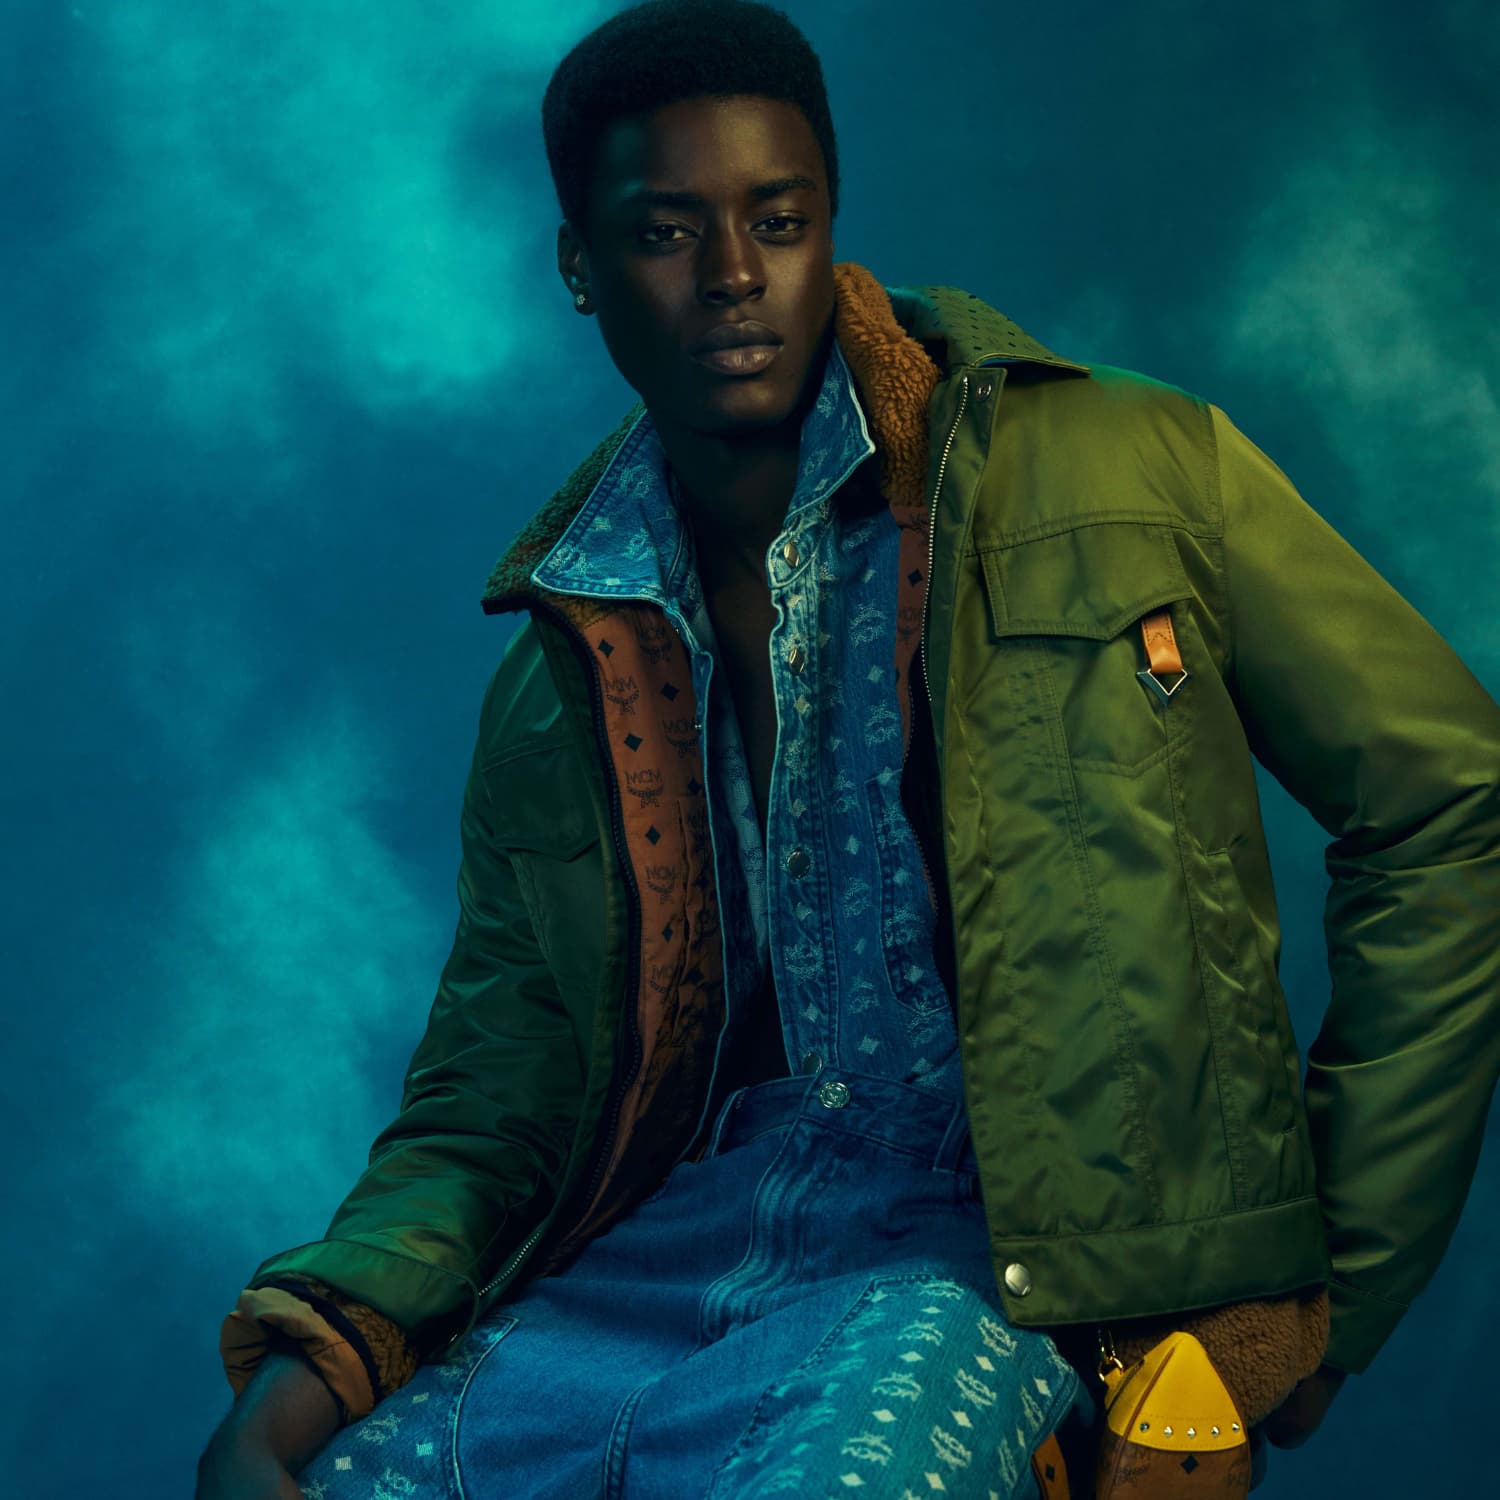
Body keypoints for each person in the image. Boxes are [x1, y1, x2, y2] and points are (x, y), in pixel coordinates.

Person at [195, 3, 1500, 1497]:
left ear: (829, 228)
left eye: (779, 220)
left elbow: (1450, 803)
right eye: (666, 232)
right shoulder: (558, 674)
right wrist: (298, 1384)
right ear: (579, 266)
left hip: (997, 1268)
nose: (733, 275)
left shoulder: (1127, 469)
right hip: (648, 1267)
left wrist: (1303, 1304)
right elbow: (494, 1105)